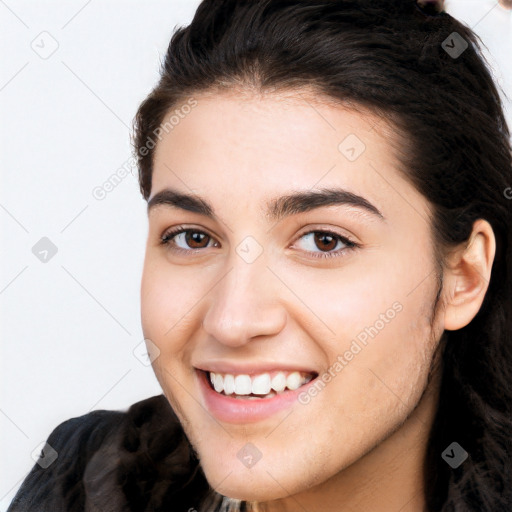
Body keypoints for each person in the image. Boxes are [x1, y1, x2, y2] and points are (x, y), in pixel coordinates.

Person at [8, 0, 512, 511]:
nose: (232, 321)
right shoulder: (88, 482)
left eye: (324, 241)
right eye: (193, 237)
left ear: (464, 276)